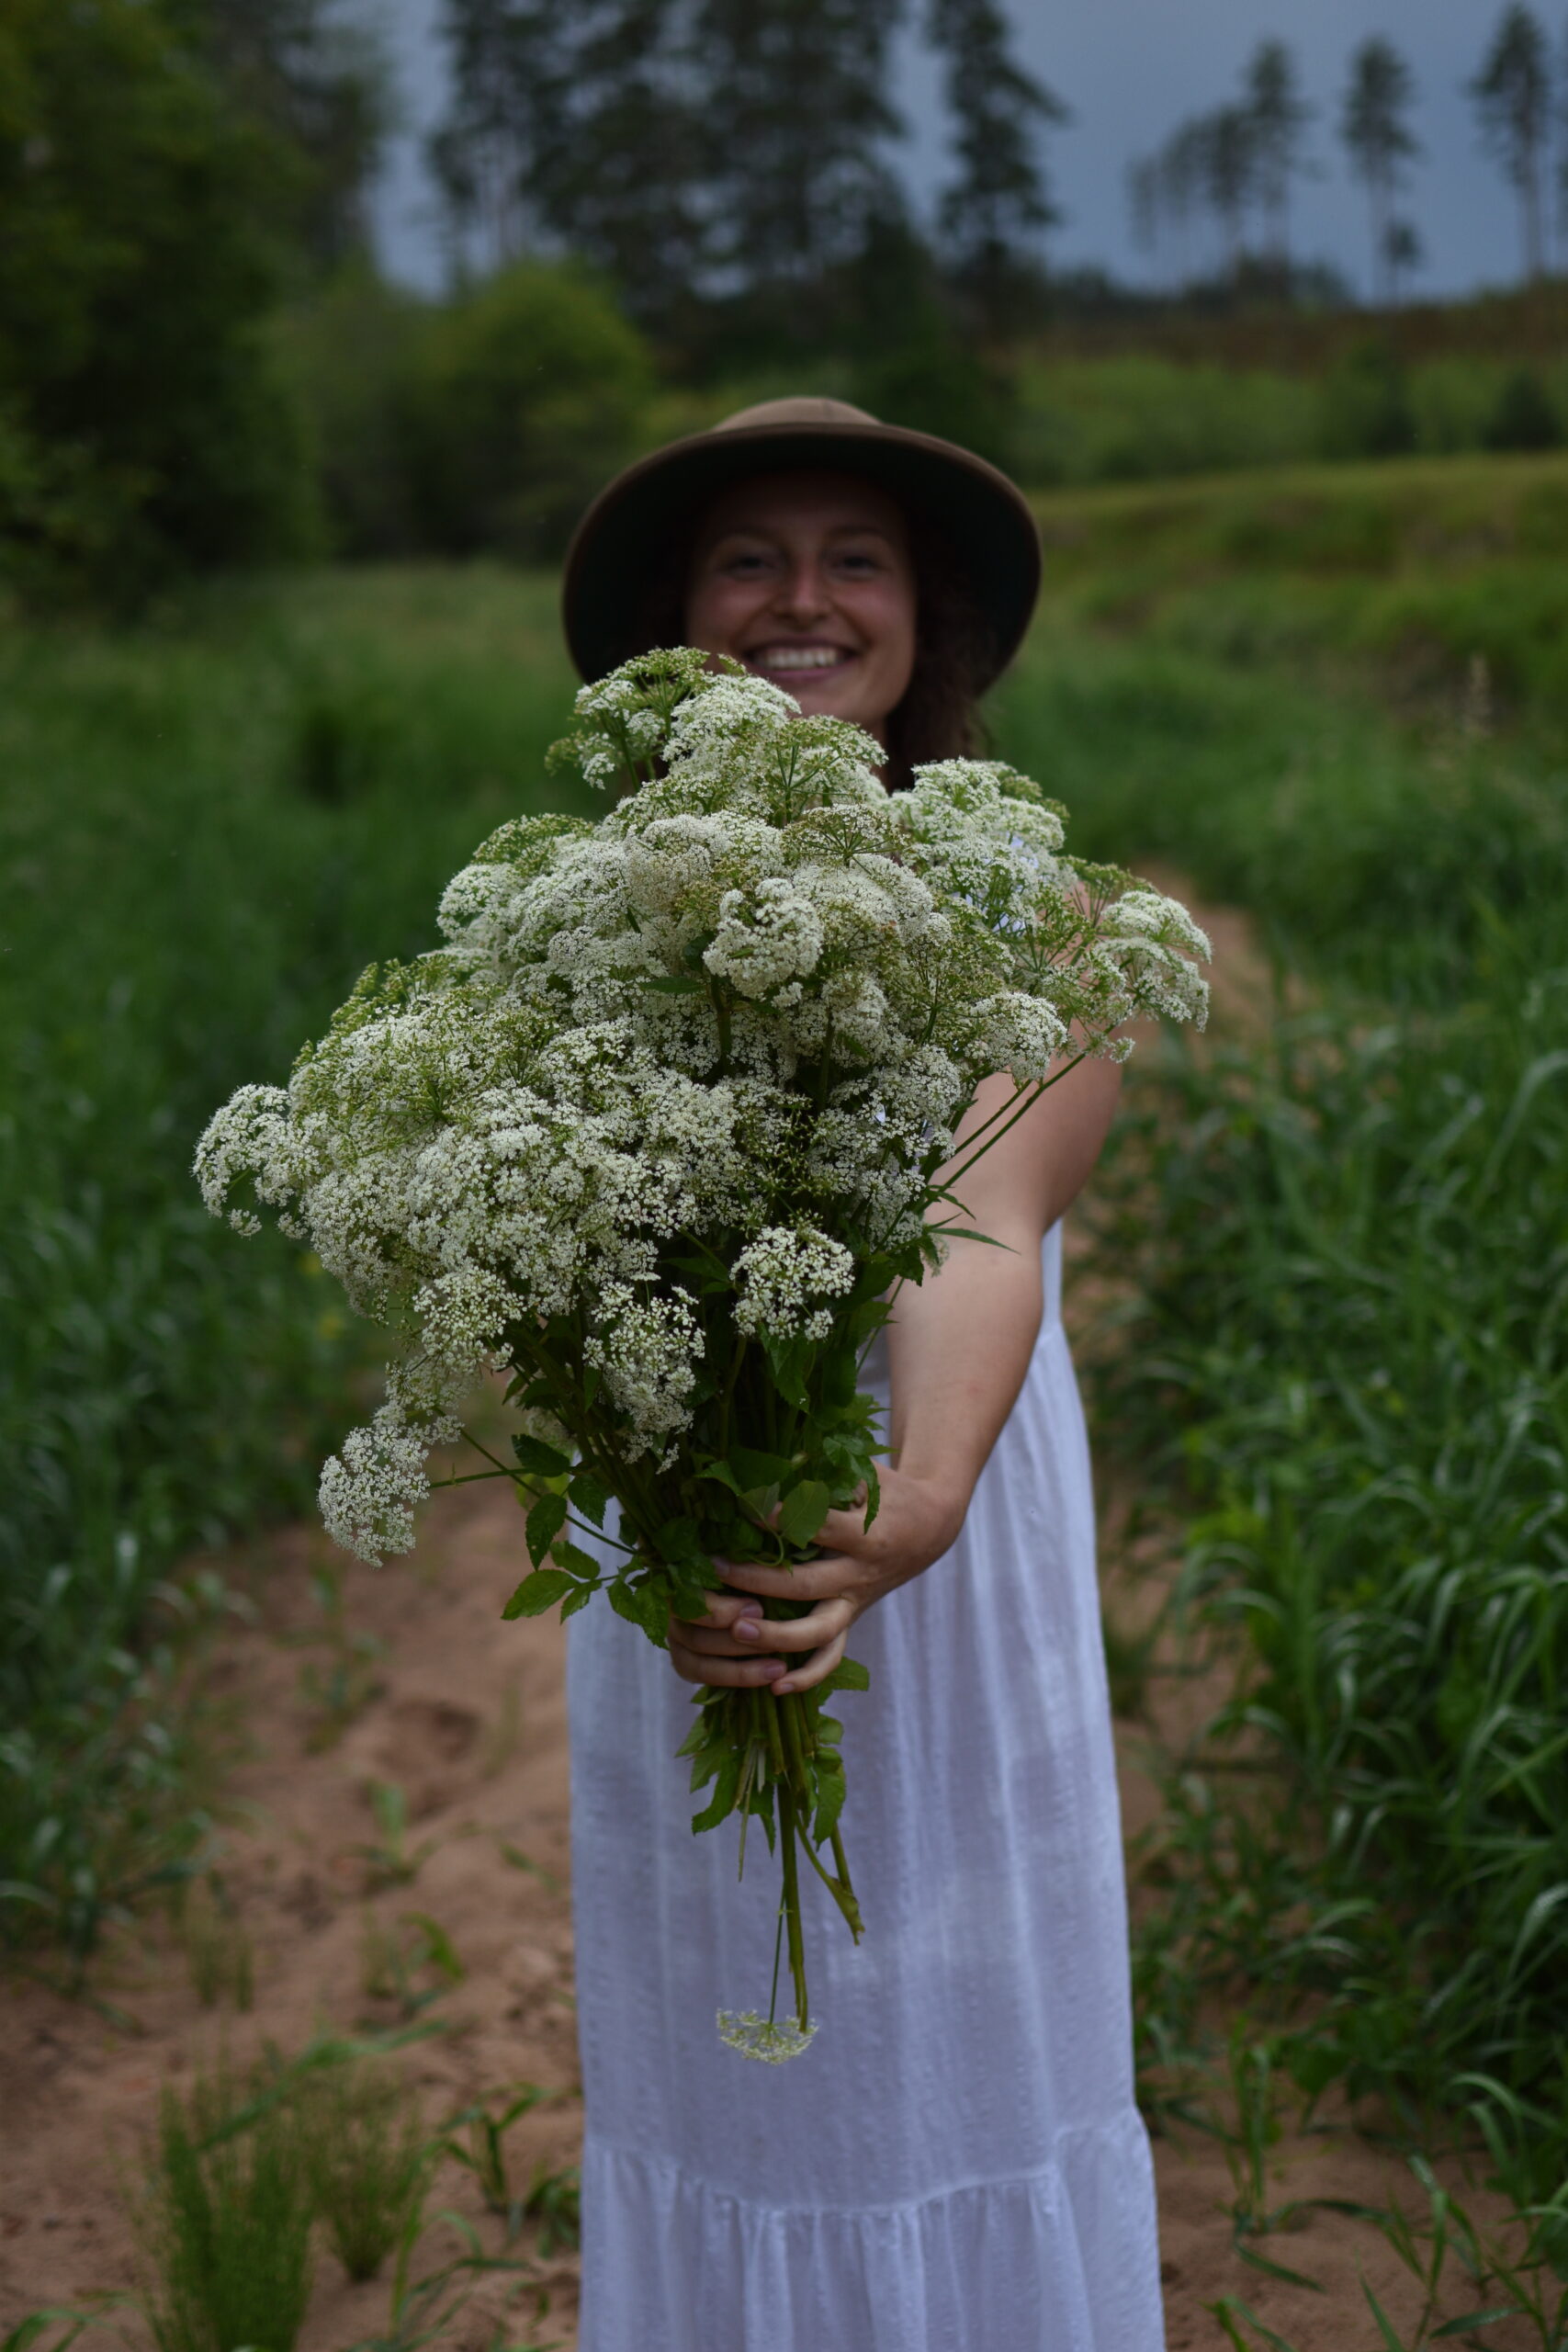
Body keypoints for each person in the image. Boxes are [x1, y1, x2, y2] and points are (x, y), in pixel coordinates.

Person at [558, 398, 1165, 2351]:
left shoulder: (1032, 908)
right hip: (696, 1533)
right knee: (721, 2038)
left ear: (925, 623)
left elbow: (982, 1214)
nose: (798, 601)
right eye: (747, 556)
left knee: (949, 2021)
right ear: (678, 616)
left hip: (932, 1520)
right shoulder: (598, 921)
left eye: (854, 558)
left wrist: (916, 1494)